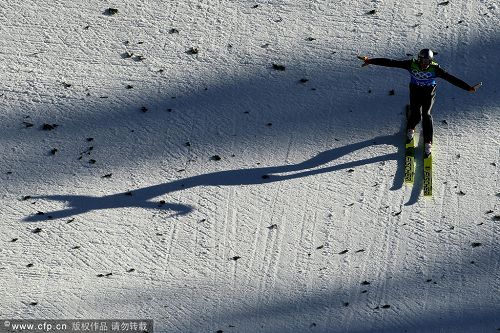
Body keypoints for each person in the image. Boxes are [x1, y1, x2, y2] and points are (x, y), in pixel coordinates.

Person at [358, 49, 481, 156]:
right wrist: (370, 60)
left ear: (431, 61)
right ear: (419, 59)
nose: (424, 65)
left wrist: (468, 88)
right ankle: (411, 128)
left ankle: (428, 142)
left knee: (426, 114)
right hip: (415, 90)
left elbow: (451, 79)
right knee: (415, 110)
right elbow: (391, 63)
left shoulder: (435, 69)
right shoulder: (411, 64)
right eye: (423, 61)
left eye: (427, 62)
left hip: (429, 92)